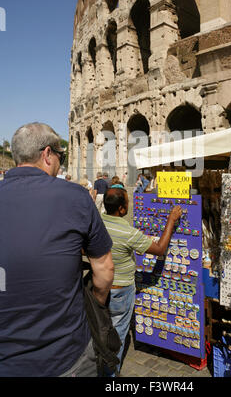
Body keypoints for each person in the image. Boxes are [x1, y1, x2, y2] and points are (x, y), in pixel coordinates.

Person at [0, 122, 114, 377]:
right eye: (61, 156)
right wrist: (93, 304)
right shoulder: (75, 197)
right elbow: (105, 269)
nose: (61, 162)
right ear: (47, 154)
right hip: (65, 355)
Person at [102, 187, 182, 375]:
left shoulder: (97, 222)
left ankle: (101, 366)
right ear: (121, 209)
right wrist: (171, 220)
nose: (129, 204)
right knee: (118, 333)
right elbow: (160, 249)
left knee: (103, 329)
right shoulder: (128, 232)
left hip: (100, 287)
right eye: (127, 202)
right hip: (120, 290)